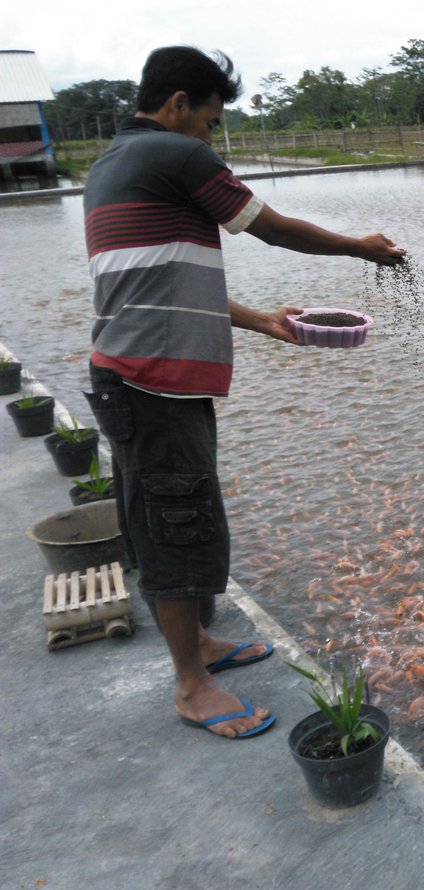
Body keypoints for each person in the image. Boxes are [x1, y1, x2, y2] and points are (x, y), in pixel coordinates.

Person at [83, 46, 406, 739]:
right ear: (177, 104)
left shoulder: (113, 162)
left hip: (138, 377)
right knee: (174, 526)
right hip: (152, 383)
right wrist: (362, 247)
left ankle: (199, 645)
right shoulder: (175, 154)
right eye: (210, 120)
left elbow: (158, 282)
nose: (211, 136)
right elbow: (275, 230)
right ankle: (191, 686)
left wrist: (261, 320)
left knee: (176, 512)